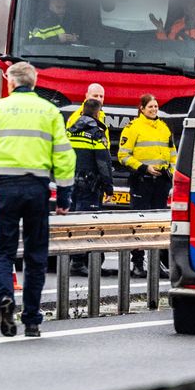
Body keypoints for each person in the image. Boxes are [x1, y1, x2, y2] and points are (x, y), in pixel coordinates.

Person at [0, 62, 74, 338]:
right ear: (34, 83)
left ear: (11, 83)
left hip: (5, 189)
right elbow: (64, 155)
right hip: (38, 190)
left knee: (3, 252)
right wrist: (64, 196)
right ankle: (32, 321)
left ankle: (5, 298)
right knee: (36, 257)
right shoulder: (50, 111)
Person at [118, 94, 176, 279]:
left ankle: (156, 263)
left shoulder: (164, 128)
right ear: (141, 108)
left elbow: (173, 154)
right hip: (142, 181)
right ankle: (137, 264)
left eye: (156, 106)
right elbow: (123, 155)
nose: (154, 109)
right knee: (139, 223)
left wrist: (171, 173)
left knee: (158, 225)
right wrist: (144, 168)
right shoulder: (133, 128)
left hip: (160, 183)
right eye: (150, 106)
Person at [67, 98, 114, 277]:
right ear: (97, 113)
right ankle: (79, 262)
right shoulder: (96, 133)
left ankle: (79, 260)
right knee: (88, 223)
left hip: (71, 183)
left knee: (73, 221)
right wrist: (109, 187)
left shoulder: (70, 131)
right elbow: (103, 163)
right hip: (90, 185)